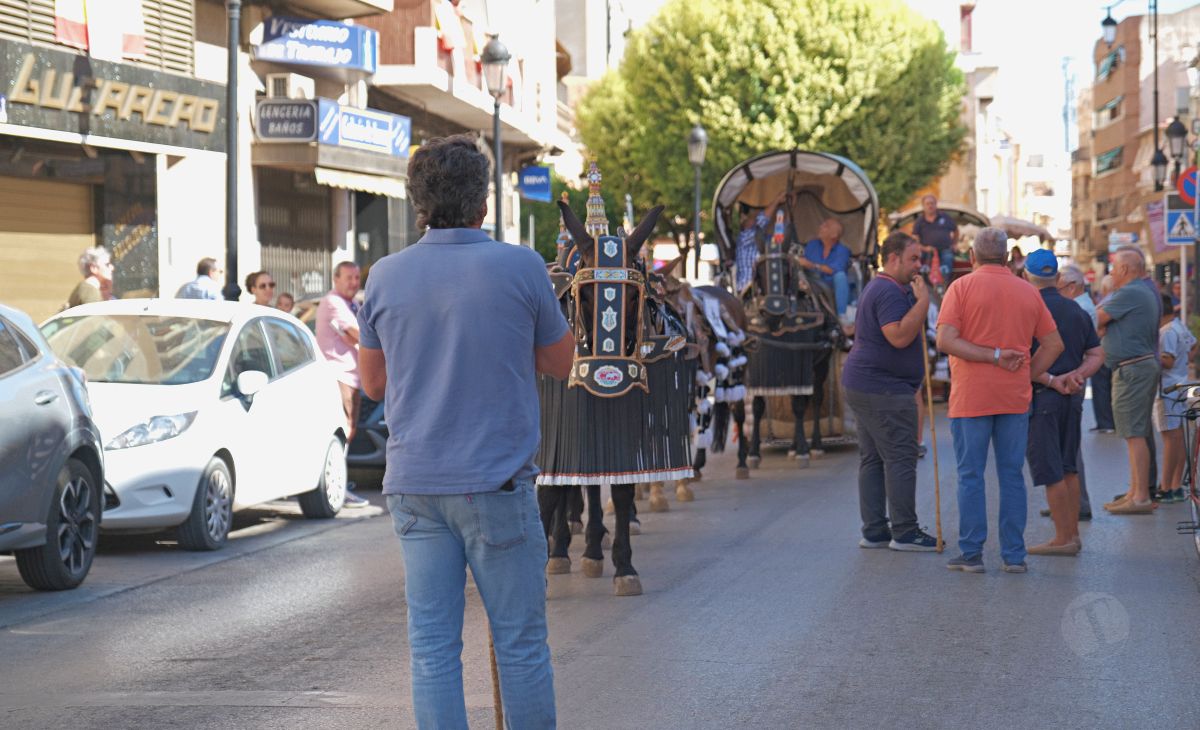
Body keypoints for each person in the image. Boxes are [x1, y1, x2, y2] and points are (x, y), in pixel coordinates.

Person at [357, 135, 571, 728]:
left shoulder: (384, 275)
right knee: (521, 647)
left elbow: (372, 385)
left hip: (416, 486)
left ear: (419, 204)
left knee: (432, 653)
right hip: (496, 484)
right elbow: (562, 363)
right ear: (483, 203)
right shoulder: (522, 266)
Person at [936, 226, 1063, 574]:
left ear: (972, 256)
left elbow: (945, 340)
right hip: (1014, 396)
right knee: (1011, 475)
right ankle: (1014, 555)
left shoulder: (960, 288)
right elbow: (1054, 344)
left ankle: (972, 553)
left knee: (970, 476)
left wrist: (991, 356)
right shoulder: (1027, 291)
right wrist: (1028, 373)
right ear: (1008, 257)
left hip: (971, 397)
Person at [841, 231, 938, 551]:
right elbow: (897, 335)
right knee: (899, 457)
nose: (918, 266)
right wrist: (923, 301)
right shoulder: (888, 292)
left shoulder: (886, 287)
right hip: (882, 389)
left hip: (866, 385)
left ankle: (875, 530)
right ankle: (905, 531)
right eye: (913, 259)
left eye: (920, 259)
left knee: (873, 459)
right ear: (893, 258)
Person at [1021, 250, 1103, 556]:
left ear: (1026, 277)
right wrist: (1077, 375)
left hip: (1043, 397)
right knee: (1069, 467)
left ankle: (1062, 538)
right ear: (1057, 278)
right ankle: (1072, 536)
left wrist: (1052, 379)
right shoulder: (1076, 311)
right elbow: (1097, 354)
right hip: (1073, 397)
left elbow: (1024, 361)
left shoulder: (1026, 308)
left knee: (1050, 469)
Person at [1098, 249, 1161, 515]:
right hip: (1137, 367)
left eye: (1113, 268)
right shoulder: (1139, 291)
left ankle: (1141, 496)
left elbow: (1097, 318)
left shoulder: (1129, 292)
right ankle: (1135, 491)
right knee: (1134, 432)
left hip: (1133, 369)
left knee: (1134, 434)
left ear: (1124, 269)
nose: (1110, 273)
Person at [316, 261, 370, 509]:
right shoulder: (332, 302)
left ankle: (339, 484)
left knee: (349, 431)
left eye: (357, 277)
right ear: (335, 279)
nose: (353, 282)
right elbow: (357, 333)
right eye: (348, 277)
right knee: (343, 430)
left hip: (352, 375)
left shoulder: (352, 304)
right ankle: (336, 487)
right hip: (339, 375)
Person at [1154, 291, 1197, 503]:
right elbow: (1194, 344)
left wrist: (1148, 358)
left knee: (1170, 438)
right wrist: (1184, 361)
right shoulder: (1178, 326)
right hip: (1179, 384)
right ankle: (1176, 485)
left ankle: (1166, 486)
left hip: (1166, 390)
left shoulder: (1166, 332)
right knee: (1178, 437)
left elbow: (1167, 360)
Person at [734, 191, 786, 292]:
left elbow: (780, 236)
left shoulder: (763, 239)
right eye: (751, 217)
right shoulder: (744, 238)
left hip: (765, 287)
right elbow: (762, 221)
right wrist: (777, 200)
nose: (754, 219)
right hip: (748, 288)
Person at [801, 218, 853, 317]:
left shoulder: (842, 251)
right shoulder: (812, 245)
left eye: (826, 226)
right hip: (810, 281)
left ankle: (841, 317)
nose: (821, 227)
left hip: (830, 284)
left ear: (834, 235)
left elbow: (834, 270)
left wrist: (813, 265)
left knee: (840, 276)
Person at [1089, 274, 1116, 433]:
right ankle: (1110, 421)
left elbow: (1097, 321)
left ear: (1105, 288)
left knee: (1101, 386)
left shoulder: (1108, 301)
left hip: (1103, 347)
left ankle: (1105, 422)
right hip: (1112, 348)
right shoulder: (1116, 299)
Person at [911, 194, 957, 280]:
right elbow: (914, 239)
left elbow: (955, 230)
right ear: (923, 206)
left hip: (945, 249)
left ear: (936, 204)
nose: (930, 206)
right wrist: (924, 248)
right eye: (927, 204)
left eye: (932, 203)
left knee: (946, 268)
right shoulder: (919, 221)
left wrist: (954, 244)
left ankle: (944, 287)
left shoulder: (945, 217)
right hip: (926, 252)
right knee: (923, 270)